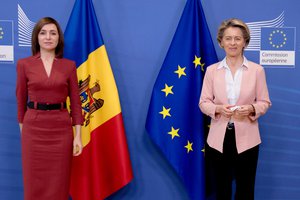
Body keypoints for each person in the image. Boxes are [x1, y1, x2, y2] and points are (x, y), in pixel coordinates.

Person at [199, 18, 271, 200]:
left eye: (238, 39)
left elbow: (264, 102)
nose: (233, 43)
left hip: (248, 138)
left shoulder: (257, 71)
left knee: (245, 189)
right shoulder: (212, 71)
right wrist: (217, 109)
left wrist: (252, 108)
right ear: (221, 42)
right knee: (221, 189)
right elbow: (203, 102)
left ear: (245, 42)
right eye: (228, 38)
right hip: (218, 139)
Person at [16, 17, 84, 200]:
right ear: (36, 37)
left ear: (58, 38)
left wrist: (78, 135)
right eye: (43, 32)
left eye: (53, 33)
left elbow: (76, 104)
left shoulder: (68, 66)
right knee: (33, 185)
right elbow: (20, 100)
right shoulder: (24, 64)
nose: (48, 37)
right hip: (33, 130)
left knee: (59, 184)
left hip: (61, 131)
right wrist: (24, 131)